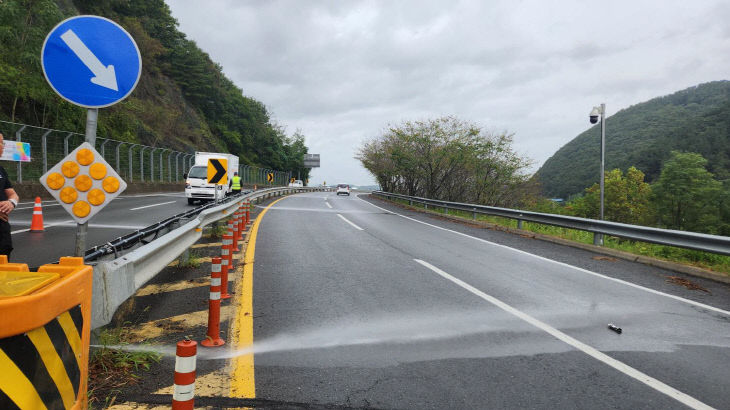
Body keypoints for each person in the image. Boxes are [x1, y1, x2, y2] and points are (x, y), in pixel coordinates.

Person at [0, 133, 19, 258]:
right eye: (1, 142)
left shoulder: (1, 170)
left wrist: (11, 202)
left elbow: (13, 194)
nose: (3, 146)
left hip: (2, 230)